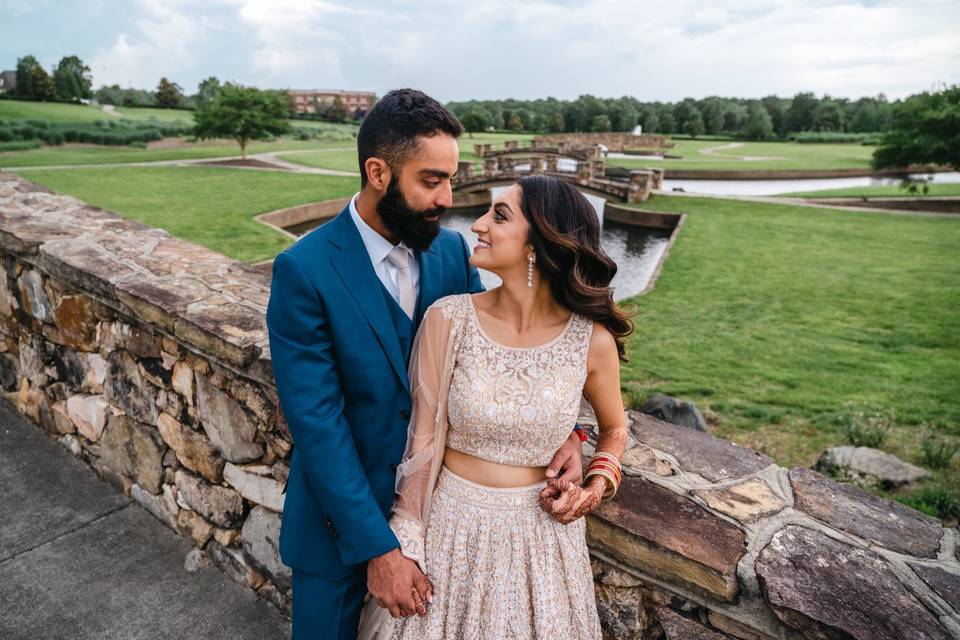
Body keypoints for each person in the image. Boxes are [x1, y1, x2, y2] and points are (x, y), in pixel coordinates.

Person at [265, 89, 586, 640]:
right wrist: (378, 548)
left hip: (441, 528)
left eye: (451, 180)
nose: (447, 198)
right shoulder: (304, 270)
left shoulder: (451, 253)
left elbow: (506, 360)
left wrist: (572, 434)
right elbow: (318, 424)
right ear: (378, 172)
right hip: (338, 528)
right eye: (431, 181)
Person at [358, 175, 632, 639]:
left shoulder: (592, 340)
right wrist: (404, 542)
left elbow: (616, 428)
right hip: (451, 527)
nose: (479, 224)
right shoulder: (448, 319)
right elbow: (420, 445)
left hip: (541, 540)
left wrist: (595, 485)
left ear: (539, 243)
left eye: (499, 216)